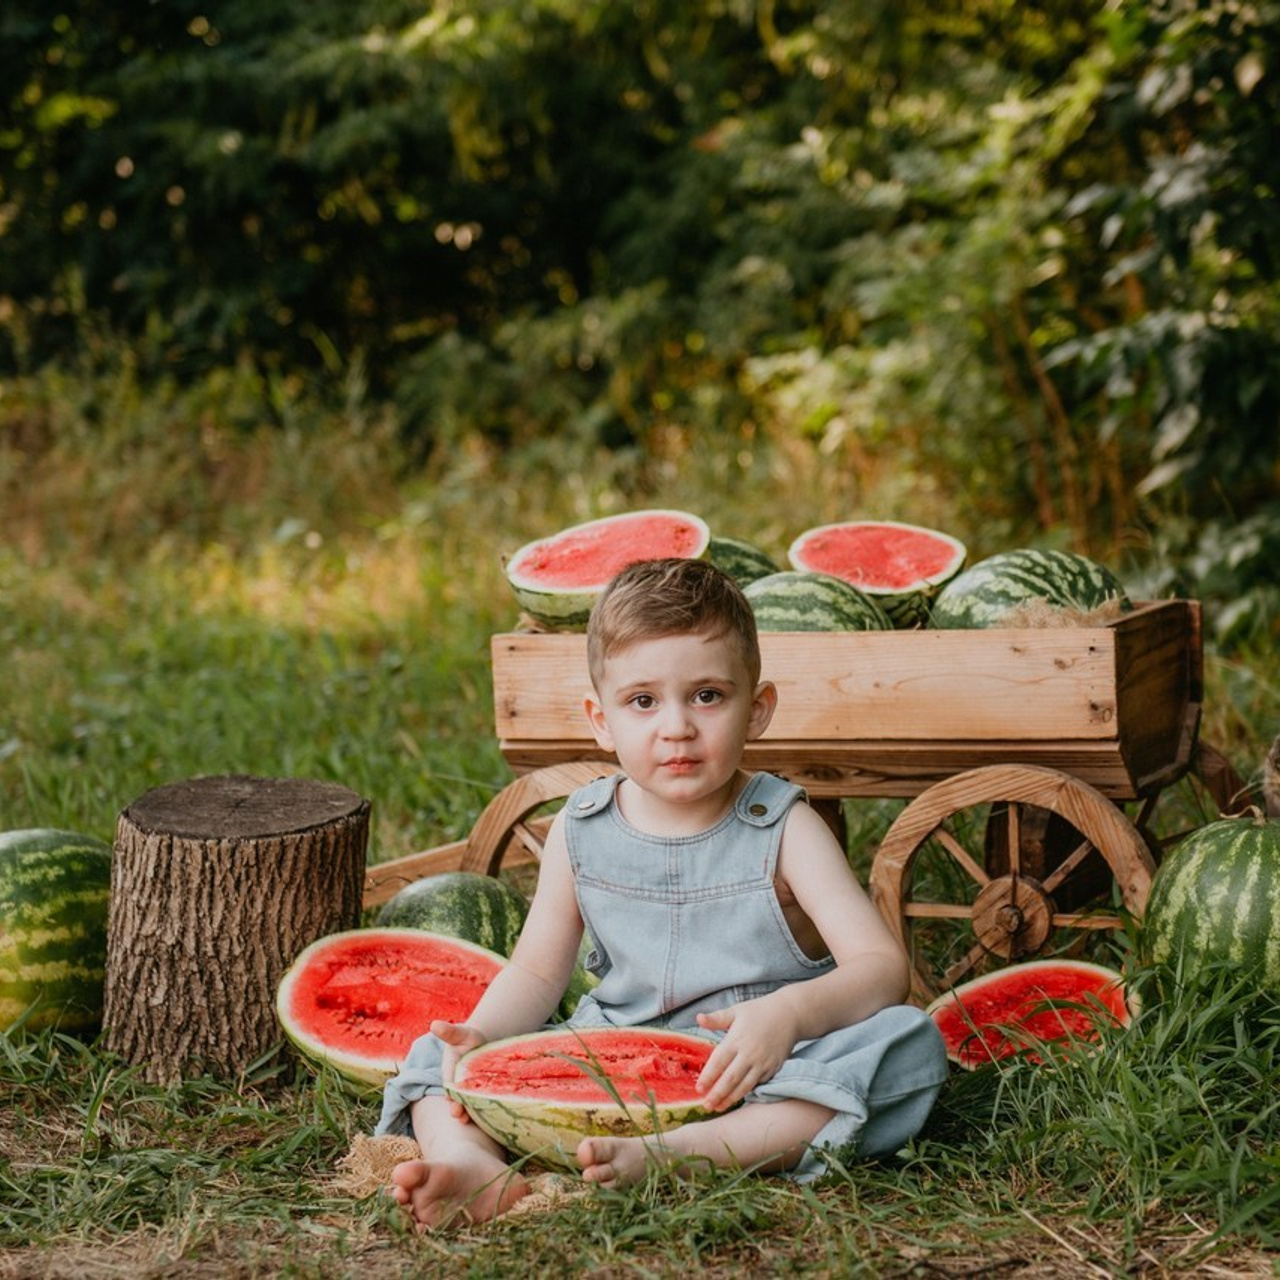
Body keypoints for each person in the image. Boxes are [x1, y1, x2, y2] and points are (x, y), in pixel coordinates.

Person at [377, 557, 948, 1230]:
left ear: (756, 709)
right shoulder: (577, 829)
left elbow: (881, 970)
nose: (676, 726)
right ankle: (472, 1163)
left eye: (707, 695)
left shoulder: (785, 826)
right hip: (613, 1051)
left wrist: (790, 1016)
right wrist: (484, 1035)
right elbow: (535, 971)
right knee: (432, 1058)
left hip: (762, 1068)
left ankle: (684, 1154)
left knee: (909, 1043)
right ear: (600, 720)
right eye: (643, 701)